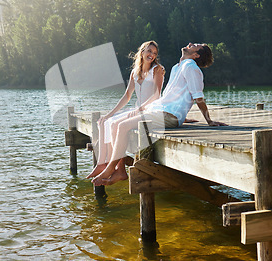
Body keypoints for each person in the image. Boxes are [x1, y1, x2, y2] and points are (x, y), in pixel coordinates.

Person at [92, 42, 227, 186]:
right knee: (116, 124)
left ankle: (111, 169)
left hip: (168, 115)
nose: (190, 44)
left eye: (195, 45)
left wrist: (209, 120)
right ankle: (119, 170)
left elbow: (198, 97)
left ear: (196, 55)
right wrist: (183, 117)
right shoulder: (177, 67)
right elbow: (172, 98)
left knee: (123, 126)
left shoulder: (191, 67)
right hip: (160, 111)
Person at [86, 41, 165, 184]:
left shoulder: (157, 69)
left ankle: (114, 168)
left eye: (154, 53)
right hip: (137, 109)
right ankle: (109, 166)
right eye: (149, 51)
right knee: (106, 122)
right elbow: (127, 95)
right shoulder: (135, 72)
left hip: (151, 110)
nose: (152, 55)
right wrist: (109, 114)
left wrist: (140, 109)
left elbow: (156, 95)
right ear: (142, 52)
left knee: (117, 124)